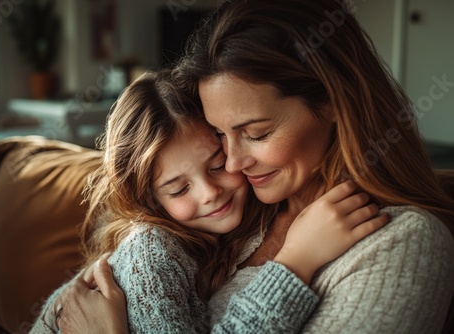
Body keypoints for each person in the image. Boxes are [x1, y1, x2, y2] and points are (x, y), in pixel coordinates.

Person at [50, 0, 454, 333]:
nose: (234, 163)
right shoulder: (230, 218)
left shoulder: (401, 243)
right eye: (221, 136)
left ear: (334, 101)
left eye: (256, 133)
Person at [30, 70, 387, 333]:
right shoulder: (152, 253)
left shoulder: (223, 233)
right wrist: (295, 263)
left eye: (217, 165)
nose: (209, 192)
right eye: (179, 190)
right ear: (151, 201)